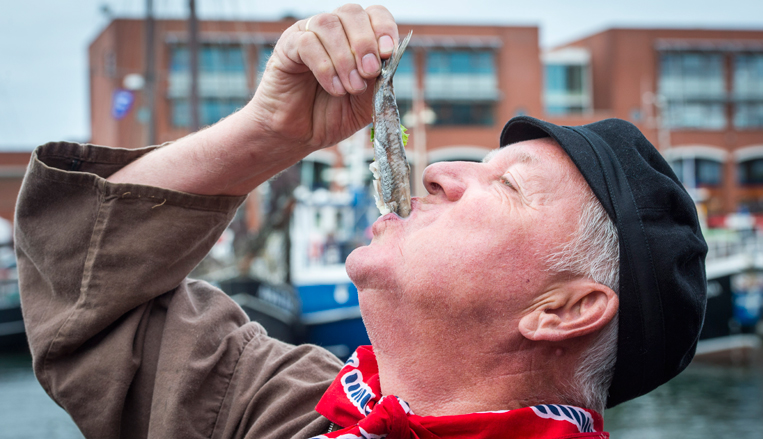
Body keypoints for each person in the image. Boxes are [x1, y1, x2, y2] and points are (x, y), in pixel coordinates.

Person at [15, 4, 707, 438]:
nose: (442, 172)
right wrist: (268, 133)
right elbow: (87, 287)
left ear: (564, 309)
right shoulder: (289, 409)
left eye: (508, 185)